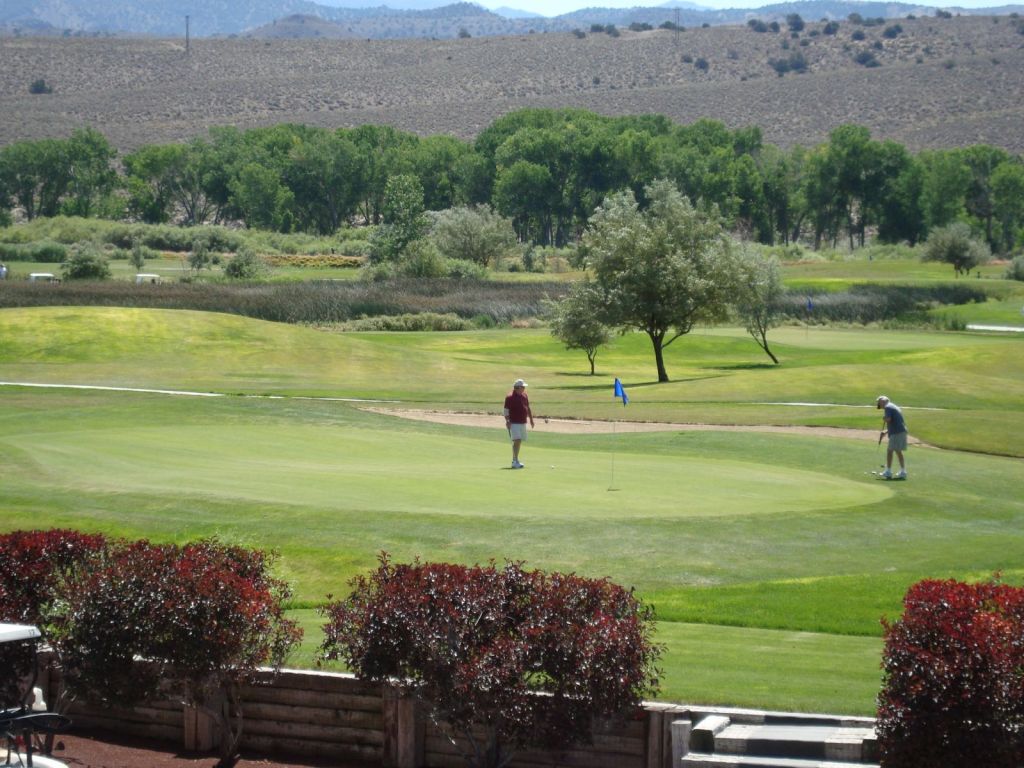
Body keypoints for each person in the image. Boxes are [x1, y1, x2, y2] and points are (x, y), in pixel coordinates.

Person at [503, 378, 535, 469]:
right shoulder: (509, 397)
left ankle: (516, 460)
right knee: (517, 440)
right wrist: (508, 421)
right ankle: (514, 461)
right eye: (523, 387)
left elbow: (528, 408)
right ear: (517, 388)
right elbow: (506, 411)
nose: (524, 389)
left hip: (522, 422)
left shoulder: (524, 395)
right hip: (514, 423)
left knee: (519, 440)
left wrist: (531, 420)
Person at [876, 395, 908, 479]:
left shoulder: (888, 407)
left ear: (883, 401)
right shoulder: (893, 406)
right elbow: (895, 421)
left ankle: (888, 472)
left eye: (879, 403)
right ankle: (903, 471)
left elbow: (889, 419)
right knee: (898, 451)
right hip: (900, 431)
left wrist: (884, 418)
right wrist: (886, 432)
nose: (880, 406)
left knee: (890, 451)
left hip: (897, 432)